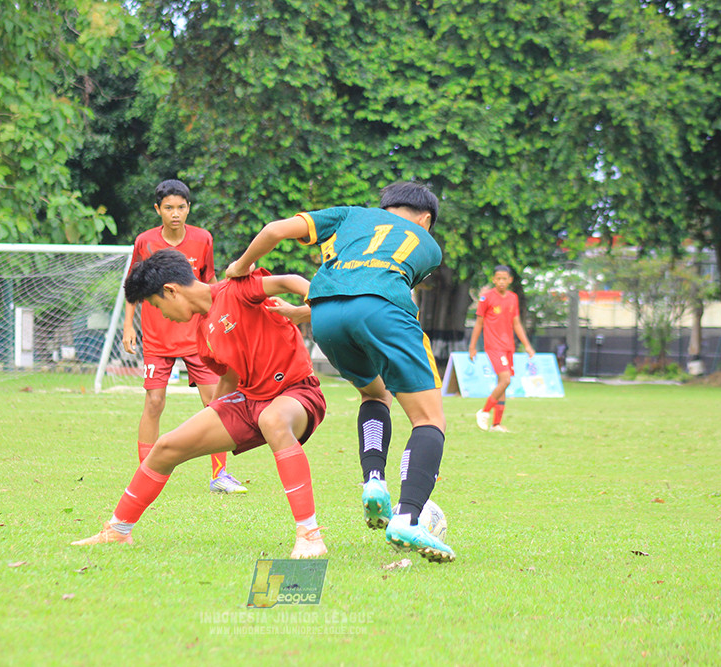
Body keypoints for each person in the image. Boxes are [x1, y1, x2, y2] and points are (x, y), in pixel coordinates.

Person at [225, 180, 455, 563]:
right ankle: (408, 517)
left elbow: (275, 230)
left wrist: (239, 266)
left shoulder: (351, 216)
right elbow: (377, 288)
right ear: (426, 219)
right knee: (429, 419)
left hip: (325, 318)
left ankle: (374, 481)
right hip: (382, 310)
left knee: (374, 393)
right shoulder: (429, 246)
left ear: (384, 208)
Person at [72, 249, 327, 559]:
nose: (163, 316)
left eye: (157, 306)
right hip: (249, 402)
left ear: (171, 290)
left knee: (272, 419)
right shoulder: (202, 336)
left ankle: (310, 535)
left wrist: (313, 308)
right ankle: (118, 530)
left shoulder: (236, 289)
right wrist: (210, 418)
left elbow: (290, 281)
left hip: (297, 392)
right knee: (166, 446)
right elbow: (230, 378)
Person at [123, 179, 246, 494]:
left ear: (188, 208)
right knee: (154, 402)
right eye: (168, 208)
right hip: (156, 338)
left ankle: (219, 475)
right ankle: (145, 472)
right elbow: (133, 284)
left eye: (181, 207)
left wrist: (220, 319)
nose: (175, 213)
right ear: (158, 210)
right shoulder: (145, 242)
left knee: (215, 402)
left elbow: (210, 281)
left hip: (198, 336)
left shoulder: (203, 239)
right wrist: (128, 326)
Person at [467, 265, 535, 433]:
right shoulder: (487, 298)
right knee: (506, 380)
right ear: (493, 279)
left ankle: (496, 424)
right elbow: (479, 323)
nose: (501, 281)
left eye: (504, 278)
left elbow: (516, 323)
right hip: (493, 346)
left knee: (502, 384)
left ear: (510, 280)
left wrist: (527, 345)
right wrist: (472, 346)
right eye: (498, 278)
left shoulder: (513, 298)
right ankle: (484, 412)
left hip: (508, 346)